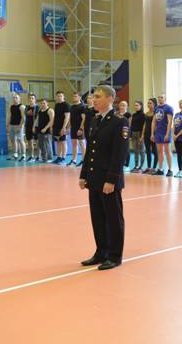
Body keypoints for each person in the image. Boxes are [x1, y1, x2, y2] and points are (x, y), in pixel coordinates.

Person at [79, 85, 129, 271]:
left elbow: (119, 154)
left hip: (108, 180)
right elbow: (90, 149)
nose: (94, 99)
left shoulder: (119, 121)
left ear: (110, 99)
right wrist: (84, 174)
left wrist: (112, 180)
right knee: (98, 218)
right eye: (94, 96)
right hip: (94, 178)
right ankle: (101, 252)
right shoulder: (95, 119)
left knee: (113, 219)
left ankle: (114, 256)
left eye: (98, 96)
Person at [151, 94, 174, 177]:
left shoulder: (168, 108)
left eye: (161, 97)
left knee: (167, 151)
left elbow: (170, 122)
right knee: (160, 151)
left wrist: (167, 134)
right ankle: (160, 169)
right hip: (158, 132)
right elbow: (153, 121)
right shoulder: (156, 108)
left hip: (165, 132)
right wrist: (152, 134)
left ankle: (170, 169)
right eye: (158, 97)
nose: (159, 99)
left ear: (165, 99)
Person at [68, 92, 87, 166]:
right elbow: (70, 118)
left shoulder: (82, 106)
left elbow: (84, 119)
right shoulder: (72, 107)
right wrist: (69, 127)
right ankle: (74, 160)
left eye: (75, 96)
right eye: (73, 96)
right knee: (74, 144)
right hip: (73, 128)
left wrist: (81, 129)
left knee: (82, 144)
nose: (74, 97)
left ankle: (84, 160)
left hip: (80, 128)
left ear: (79, 97)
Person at [52, 91, 71, 164]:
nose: (59, 97)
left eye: (61, 96)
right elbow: (55, 116)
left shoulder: (66, 105)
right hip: (56, 126)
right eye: (58, 96)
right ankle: (59, 157)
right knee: (58, 142)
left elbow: (67, 117)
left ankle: (63, 158)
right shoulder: (56, 105)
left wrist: (64, 128)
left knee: (63, 142)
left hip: (63, 127)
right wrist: (52, 126)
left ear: (63, 97)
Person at [6, 93, 26, 161]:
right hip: (12, 125)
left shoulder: (22, 107)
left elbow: (23, 118)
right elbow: (9, 116)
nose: (15, 99)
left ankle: (23, 155)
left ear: (19, 99)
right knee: (13, 140)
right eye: (14, 98)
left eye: (16, 98)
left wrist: (20, 126)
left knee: (21, 140)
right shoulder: (11, 107)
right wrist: (7, 125)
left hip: (18, 125)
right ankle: (15, 154)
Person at [34, 98, 54, 162]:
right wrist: (34, 126)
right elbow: (37, 119)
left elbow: (51, 120)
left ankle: (50, 158)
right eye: (41, 103)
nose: (42, 104)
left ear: (47, 103)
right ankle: (44, 157)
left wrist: (46, 128)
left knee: (48, 144)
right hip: (40, 129)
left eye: (44, 103)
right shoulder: (40, 110)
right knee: (41, 144)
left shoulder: (50, 110)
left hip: (46, 130)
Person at [141, 98, 158, 174]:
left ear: (154, 104)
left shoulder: (156, 113)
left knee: (155, 151)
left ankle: (154, 168)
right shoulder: (146, 113)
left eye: (150, 103)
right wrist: (142, 134)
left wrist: (153, 134)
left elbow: (156, 124)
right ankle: (149, 167)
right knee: (148, 151)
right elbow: (145, 124)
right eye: (148, 103)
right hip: (146, 134)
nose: (149, 104)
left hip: (153, 134)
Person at [130, 101, 145, 173]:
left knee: (141, 151)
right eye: (135, 105)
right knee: (135, 151)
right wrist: (130, 134)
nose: (135, 107)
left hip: (140, 133)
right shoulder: (134, 115)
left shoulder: (143, 115)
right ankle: (136, 166)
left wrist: (142, 135)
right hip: (133, 133)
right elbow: (132, 125)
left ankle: (141, 167)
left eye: (137, 105)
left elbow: (144, 126)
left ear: (141, 106)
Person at [24, 93, 39, 162]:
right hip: (28, 126)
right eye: (30, 98)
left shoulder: (37, 107)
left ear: (35, 100)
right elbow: (25, 116)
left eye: (32, 98)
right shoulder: (26, 107)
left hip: (35, 127)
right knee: (29, 142)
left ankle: (38, 156)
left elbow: (37, 118)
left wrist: (34, 126)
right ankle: (31, 156)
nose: (31, 99)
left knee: (37, 142)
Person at [118, 101, 132, 169]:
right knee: (119, 149)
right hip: (118, 133)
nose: (122, 106)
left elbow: (129, 125)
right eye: (121, 105)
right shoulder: (117, 114)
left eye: (123, 105)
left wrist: (129, 135)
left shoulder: (128, 114)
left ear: (126, 106)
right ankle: (120, 163)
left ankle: (127, 165)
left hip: (125, 133)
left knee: (126, 149)